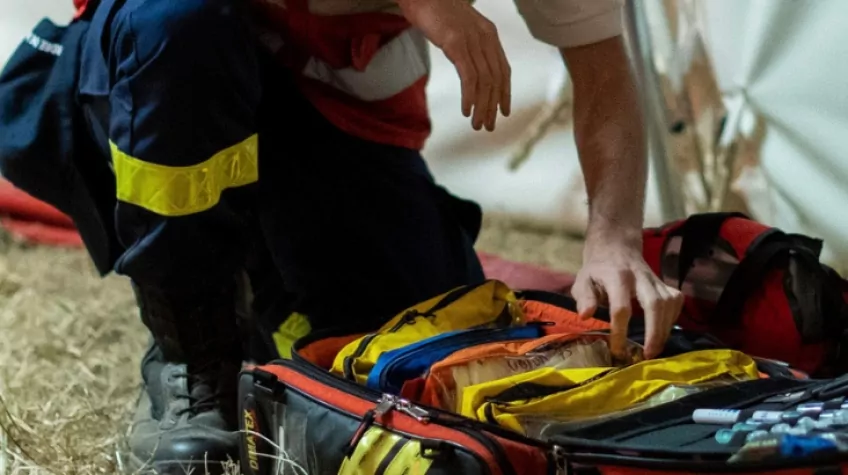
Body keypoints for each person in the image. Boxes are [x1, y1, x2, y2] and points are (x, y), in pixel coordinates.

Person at [2, 0, 682, 472]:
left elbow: (600, 65)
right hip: (167, 65)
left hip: (335, 113)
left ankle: (261, 288)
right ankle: (192, 360)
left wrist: (613, 238)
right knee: (178, 24)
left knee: (419, 352)